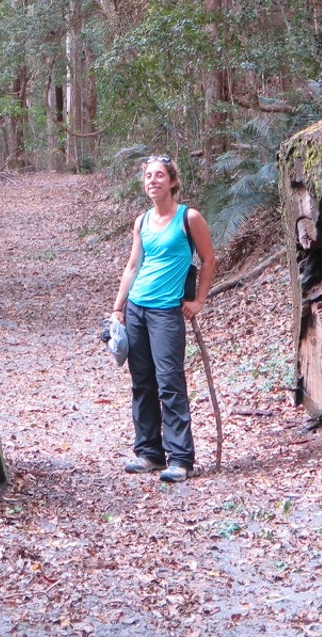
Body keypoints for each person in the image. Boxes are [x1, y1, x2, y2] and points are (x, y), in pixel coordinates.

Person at [111, 153, 216, 483]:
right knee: (142, 383)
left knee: (170, 382)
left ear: (172, 181)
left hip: (166, 312)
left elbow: (209, 258)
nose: (152, 181)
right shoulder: (141, 222)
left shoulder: (189, 218)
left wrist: (199, 300)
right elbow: (132, 266)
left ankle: (181, 459)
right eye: (147, 177)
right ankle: (149, 453)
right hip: (137, 309)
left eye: (159, 176)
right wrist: (118, 307)